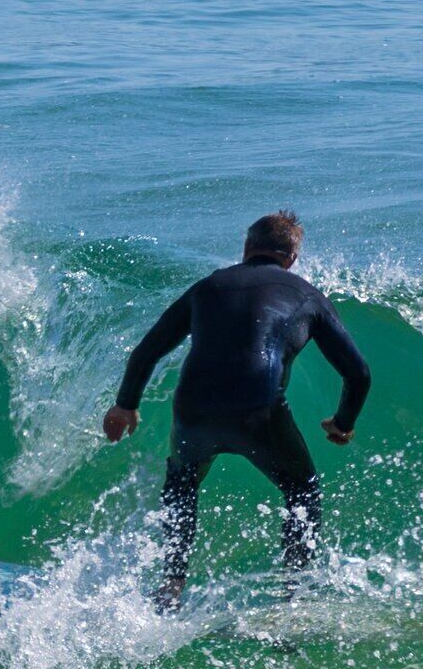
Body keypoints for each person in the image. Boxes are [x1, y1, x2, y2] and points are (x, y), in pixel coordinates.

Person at [101, 211, 370, 613]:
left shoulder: (207, 287)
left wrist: (126, 404)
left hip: (193, 408)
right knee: (301, 490)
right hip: (257, 410)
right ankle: (292, 599)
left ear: (246, 249)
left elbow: (147, 351)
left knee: (182, 482)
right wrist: (343, 423)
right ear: (292, 258)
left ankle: (171, 587)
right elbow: (359, 373)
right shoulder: (308, 295)